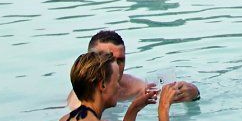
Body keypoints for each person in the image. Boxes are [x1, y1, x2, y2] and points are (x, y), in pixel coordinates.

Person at [50, 50, 184, 121]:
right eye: (116, 82)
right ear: (102, 85)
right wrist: (164, 107)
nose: (118, 87)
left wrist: (133, 110)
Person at [64, 29, 201, 112]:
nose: (117, 66)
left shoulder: (133, 86)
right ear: (92, 61)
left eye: (121, 60)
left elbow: (166, 94)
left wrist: (192, 92)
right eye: (110, 59)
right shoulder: (79, 103)